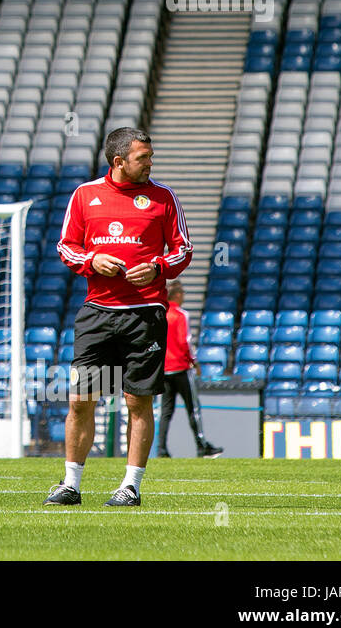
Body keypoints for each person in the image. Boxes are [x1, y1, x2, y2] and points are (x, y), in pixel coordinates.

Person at [45, 127, 193, 506]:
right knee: (81, 399)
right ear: (118, 161)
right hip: (97, 314)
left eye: (150, 157)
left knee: (137, 402)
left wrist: (158, 268)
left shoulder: (163, 198)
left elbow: (183, 250)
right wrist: (91, 260)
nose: (150, 164)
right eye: (143, 158)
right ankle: (70, 484)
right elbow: (66, 247)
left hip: (144, 315)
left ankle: (130, 486)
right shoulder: (85, 195)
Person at [158, 280, 222, 458]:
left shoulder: (160, 314)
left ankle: (161, 449)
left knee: (166, 411)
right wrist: (194, 362)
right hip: (180, 367)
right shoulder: (180, 314)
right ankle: (202, 447)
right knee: (193, 408)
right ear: (177, 295)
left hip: (164, 370)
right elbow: (185, 341)